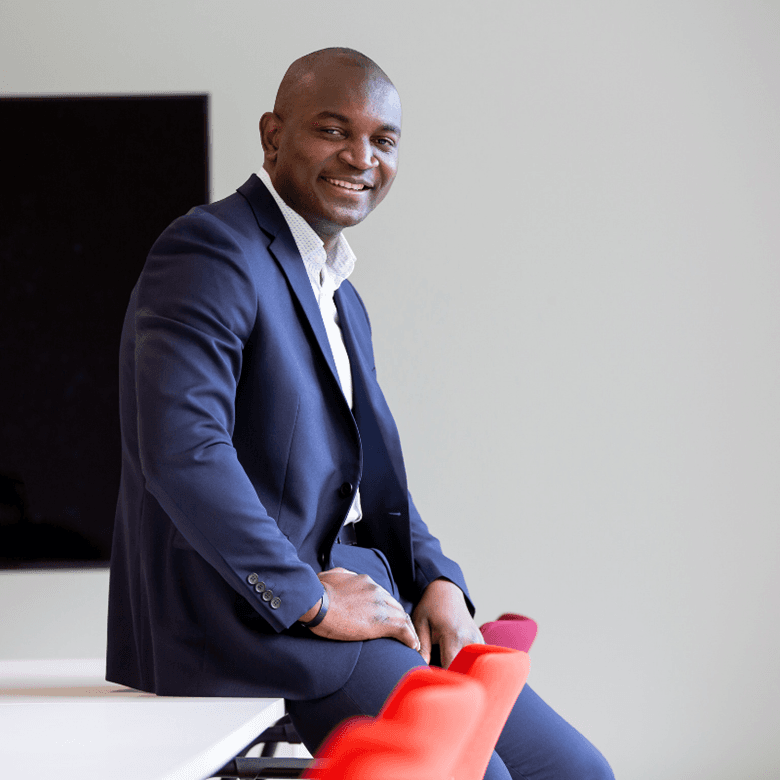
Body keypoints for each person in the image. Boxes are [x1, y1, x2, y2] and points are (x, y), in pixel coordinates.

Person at [107, 47, 614, 779]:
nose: (361, 157)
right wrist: (309, 598)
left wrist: (436, 578)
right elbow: (184, 452)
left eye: (384, 140)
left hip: (359, 600)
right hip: (249, 622)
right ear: (272, 135)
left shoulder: (339, 291)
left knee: (577, 772)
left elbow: (368, 476)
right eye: (333, 130)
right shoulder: (211, 249)